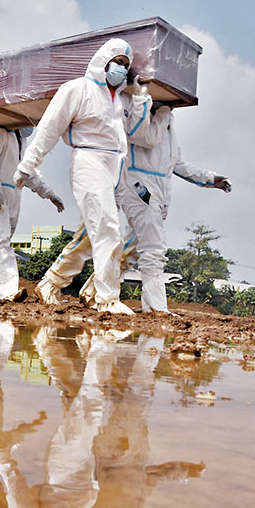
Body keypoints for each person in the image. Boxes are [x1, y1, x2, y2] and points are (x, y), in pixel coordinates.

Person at [14, 38, 152, 314]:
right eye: (118, 63)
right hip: (89, 161)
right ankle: (107, 298)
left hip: (117, 166)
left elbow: (138, 133)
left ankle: (51, 283)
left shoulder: (121, 100)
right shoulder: (77, 89)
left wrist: (140, 98)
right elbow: (49, 130)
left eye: (127, 66)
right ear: (103, 61)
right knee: (108, 229)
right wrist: (27, 166)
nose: (122, 70)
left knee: (91, 233)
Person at [115, 103, 231, 312]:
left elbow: (177, 164)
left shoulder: (169, 129)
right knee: (154, 248)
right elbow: (145, 140)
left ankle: (96, 292)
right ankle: (155, 307)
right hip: (139, 185)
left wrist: (210, 178)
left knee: (129, 251)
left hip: (159, 191)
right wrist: (161, 113)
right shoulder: (138, 118)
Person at [0, 114, 65, 301]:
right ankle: (8, 291)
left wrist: (48, 193)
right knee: (0, 242)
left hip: (14, 195)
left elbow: (29, 174)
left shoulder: (21, 142)